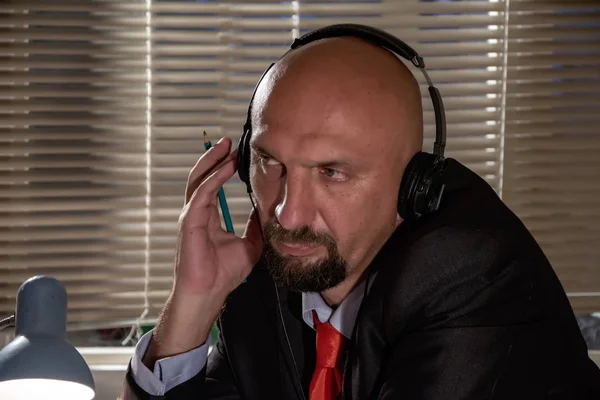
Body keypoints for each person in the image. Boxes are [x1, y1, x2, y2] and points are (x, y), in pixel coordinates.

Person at [120, 25, 600, 400]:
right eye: (269, 162)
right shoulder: (265, 271)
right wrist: (194, 303)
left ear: (415, 187)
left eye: (332, 172)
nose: (287, 215)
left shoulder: (476, 277)